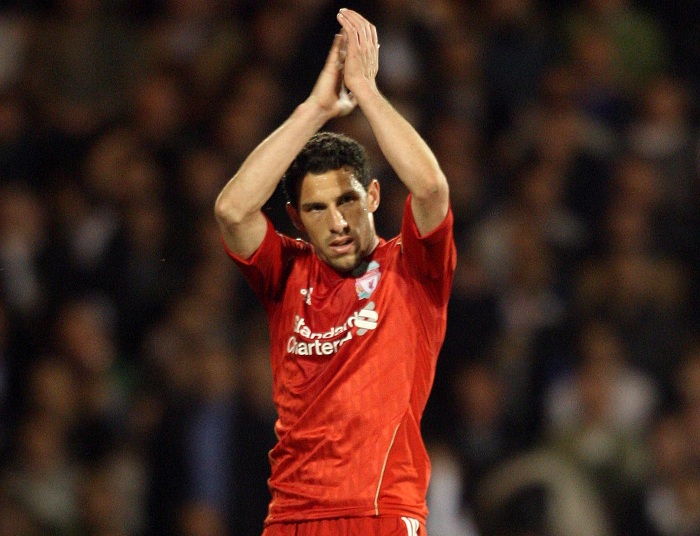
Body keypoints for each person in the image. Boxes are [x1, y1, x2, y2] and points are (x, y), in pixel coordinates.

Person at [214, 8, 456, 535]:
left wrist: (366, 93)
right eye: (318, 209)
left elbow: (431, 188)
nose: (338, 221)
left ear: (373, 197)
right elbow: (232, 211)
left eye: (348, 200)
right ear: (297, 219)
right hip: (291, 516)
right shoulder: (286, 274)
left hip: (380, 512)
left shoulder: (413, 269)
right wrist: (314, 110)